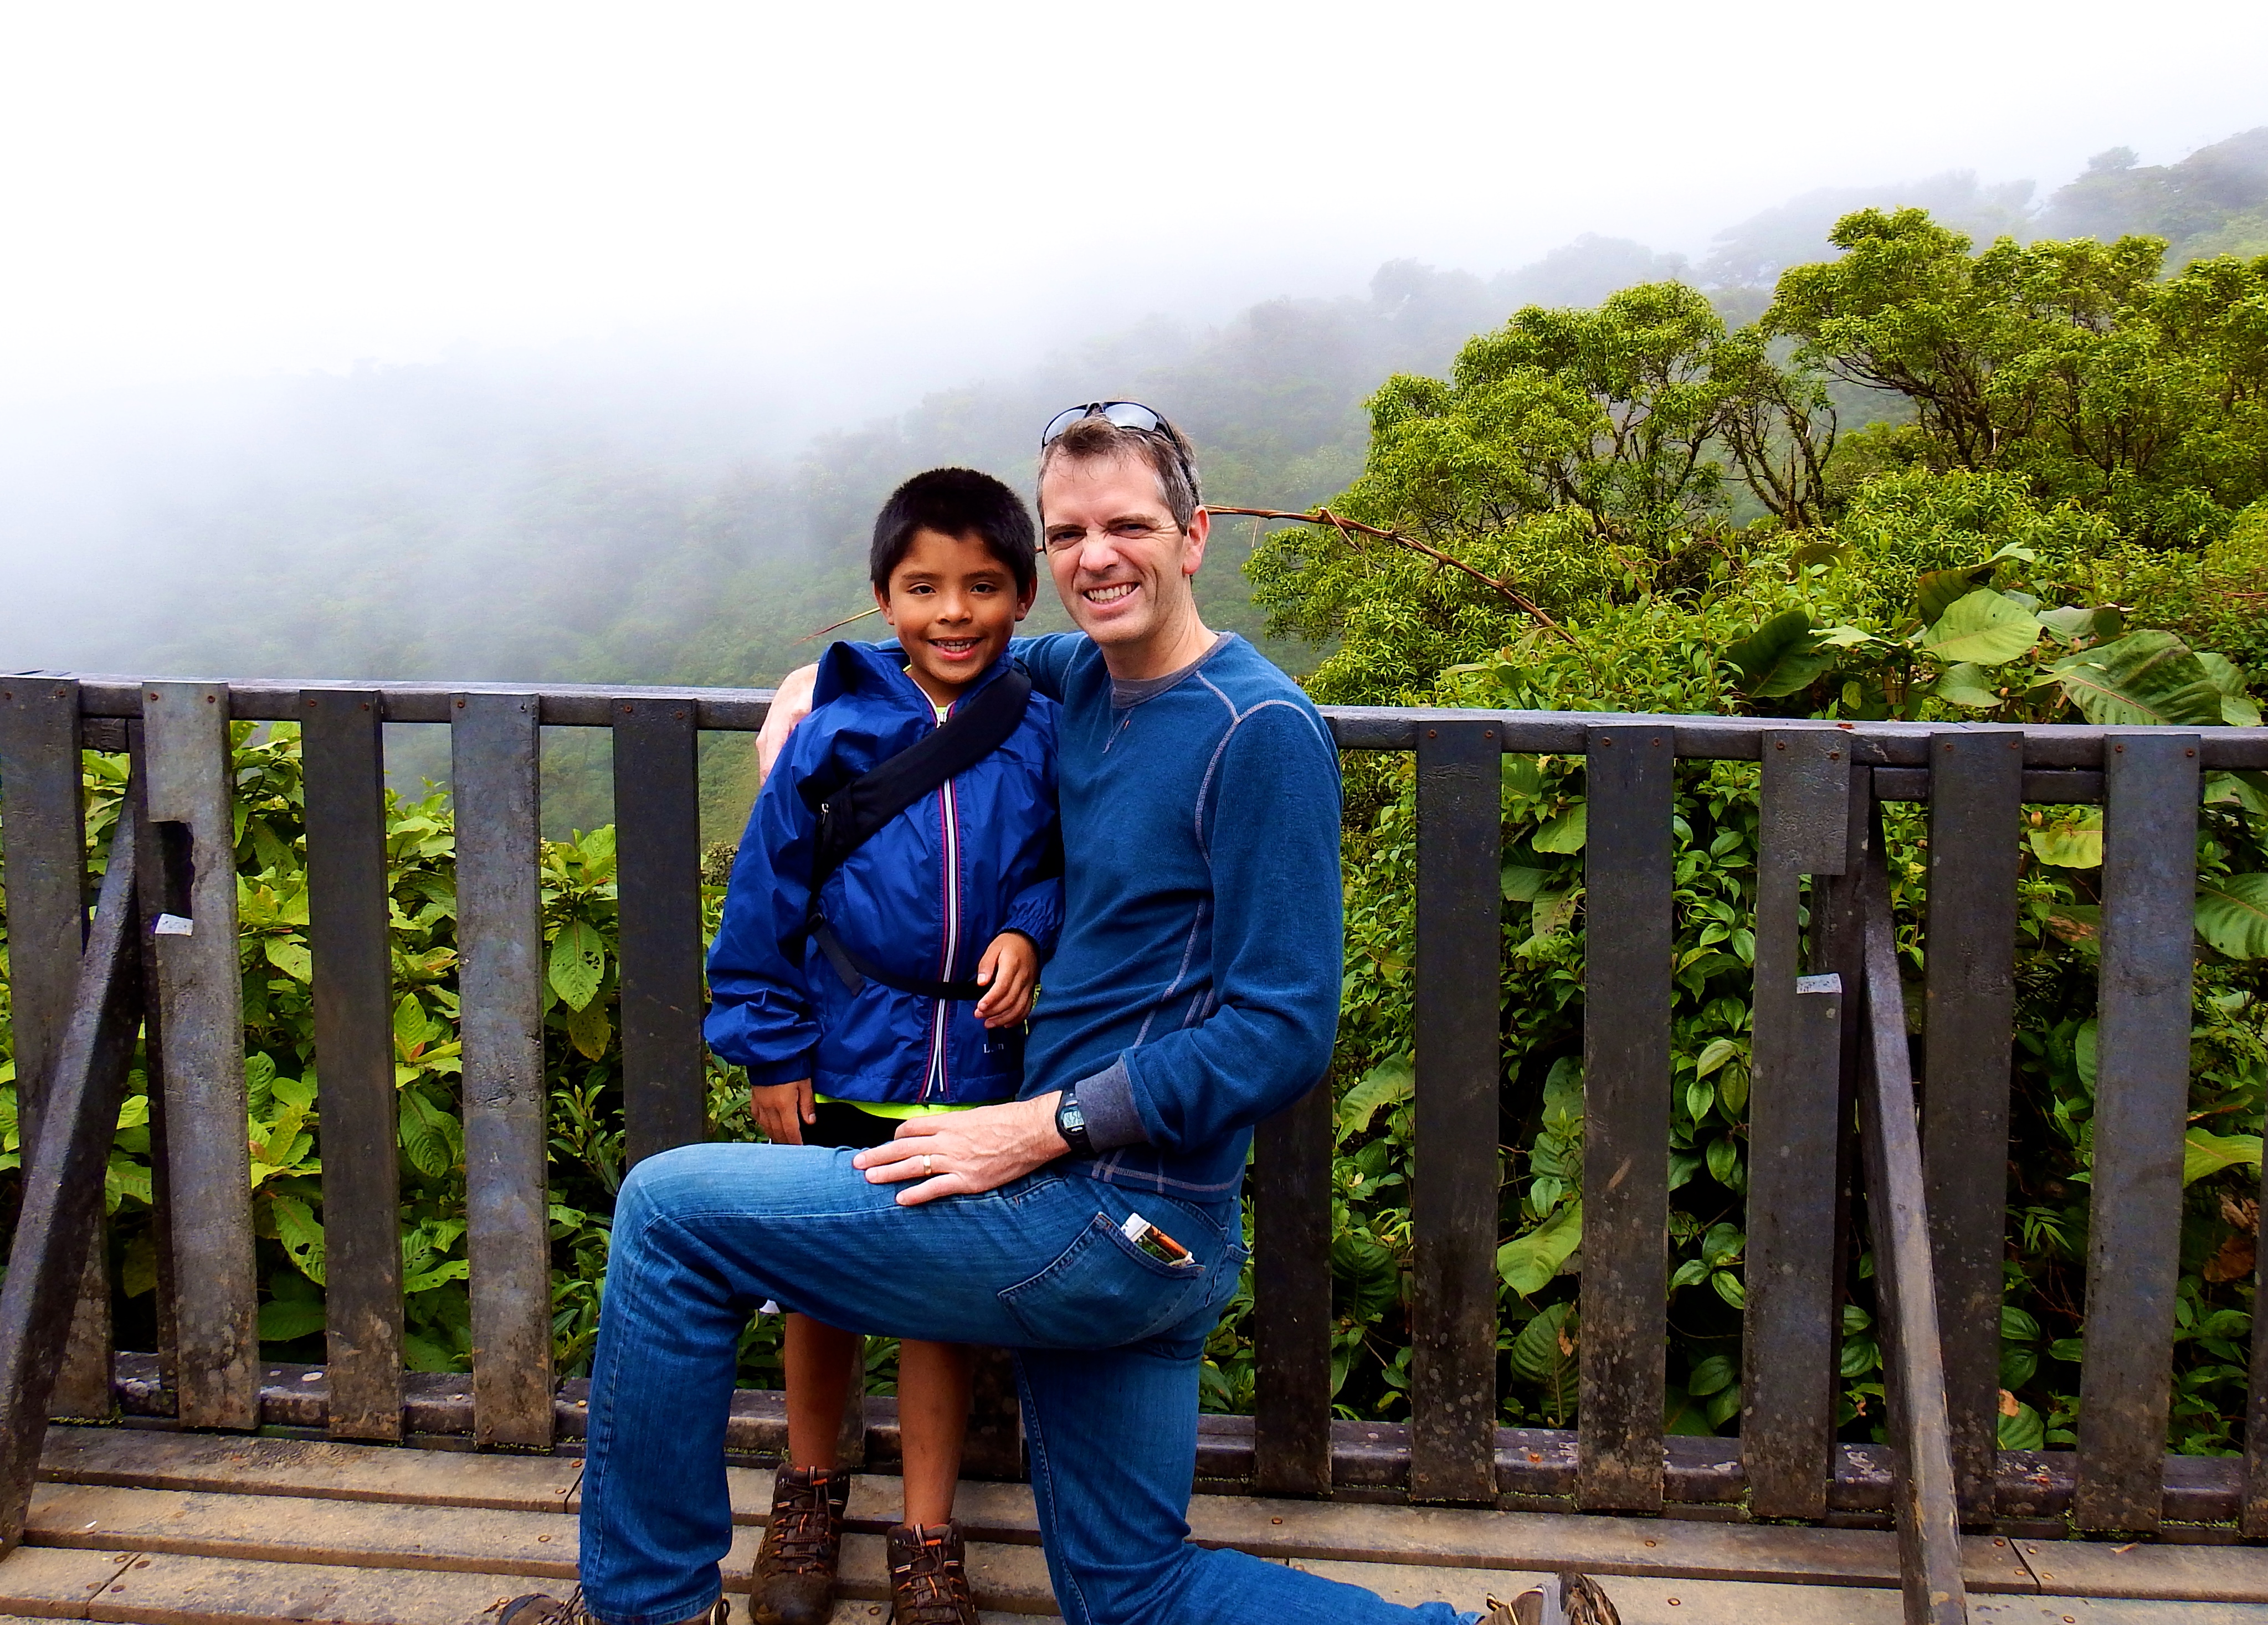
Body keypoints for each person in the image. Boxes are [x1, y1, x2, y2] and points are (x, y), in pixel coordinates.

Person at [504, 403, 1607, 1625]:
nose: (1097, 557)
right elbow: (942, 654)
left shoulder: (1258, 732)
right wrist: (813, 685)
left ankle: (640, 1610)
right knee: (1130, 1594)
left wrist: (1045, 1125)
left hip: (1107, 1208)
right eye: (1069, 533)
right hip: (1121, 1222)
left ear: (1193, 535)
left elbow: (1281, 1027)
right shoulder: (1080, 678)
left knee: (669, 1215)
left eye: (1128, 525)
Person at [702, 466, 1062, 1625]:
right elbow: (767, 891)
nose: (953, 612)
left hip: (977, 1068)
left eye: (982, 586)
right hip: (845, 1047)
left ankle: (926, 1535)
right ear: (882, 597)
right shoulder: (834, 729)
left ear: (1023, 598)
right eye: (923, 587)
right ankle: (808, 1494)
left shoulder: (1039, 727)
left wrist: (1027, 929)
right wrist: (770, 1049)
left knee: (936, 1299)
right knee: (820, 1282)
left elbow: (1057, 861)